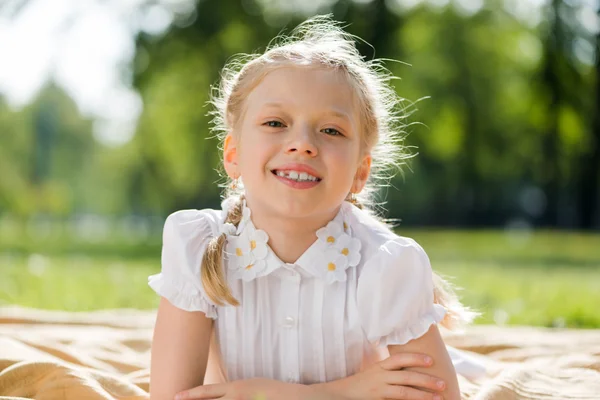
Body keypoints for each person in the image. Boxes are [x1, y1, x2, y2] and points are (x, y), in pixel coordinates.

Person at [148, 15, 484, 400]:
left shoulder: (385, 265)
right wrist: (344, 392)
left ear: (360, 171)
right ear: (233, 155)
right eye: (275, 122)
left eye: (331, 130)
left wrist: (263, 395)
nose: (302, 144)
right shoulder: (197, 246)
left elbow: (440, 396)